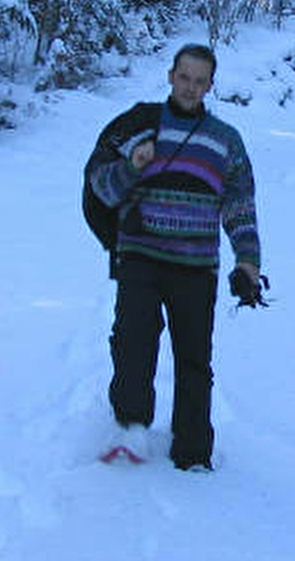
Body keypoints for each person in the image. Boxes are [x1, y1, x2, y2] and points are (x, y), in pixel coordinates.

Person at [86, 43, 263, 470]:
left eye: (200, 81)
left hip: (196, 266)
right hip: (140, 257)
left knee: (194, 358)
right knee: (132, 343)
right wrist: (132, 166)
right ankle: (130, 427)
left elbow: (240, 204)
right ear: (170, 76)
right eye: (184, 77)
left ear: (210, 85)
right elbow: (103, 190)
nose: (190, 87)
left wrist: (248, 261)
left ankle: (193, 449)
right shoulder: (139, 128)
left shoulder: (225, 141)